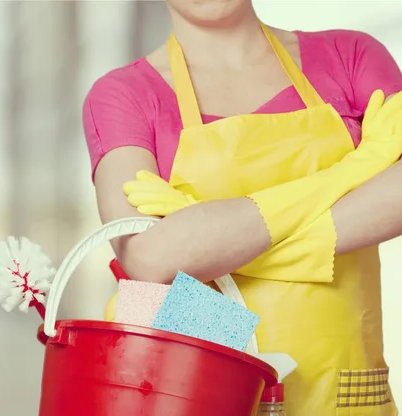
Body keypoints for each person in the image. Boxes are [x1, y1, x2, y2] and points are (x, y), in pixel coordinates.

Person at [82, 0, 402, 415]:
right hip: (207, 396)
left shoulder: (350, 56)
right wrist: (355, 172)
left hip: (343, 397)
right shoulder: (123, 95)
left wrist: (206, 231)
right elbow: (149, 259)